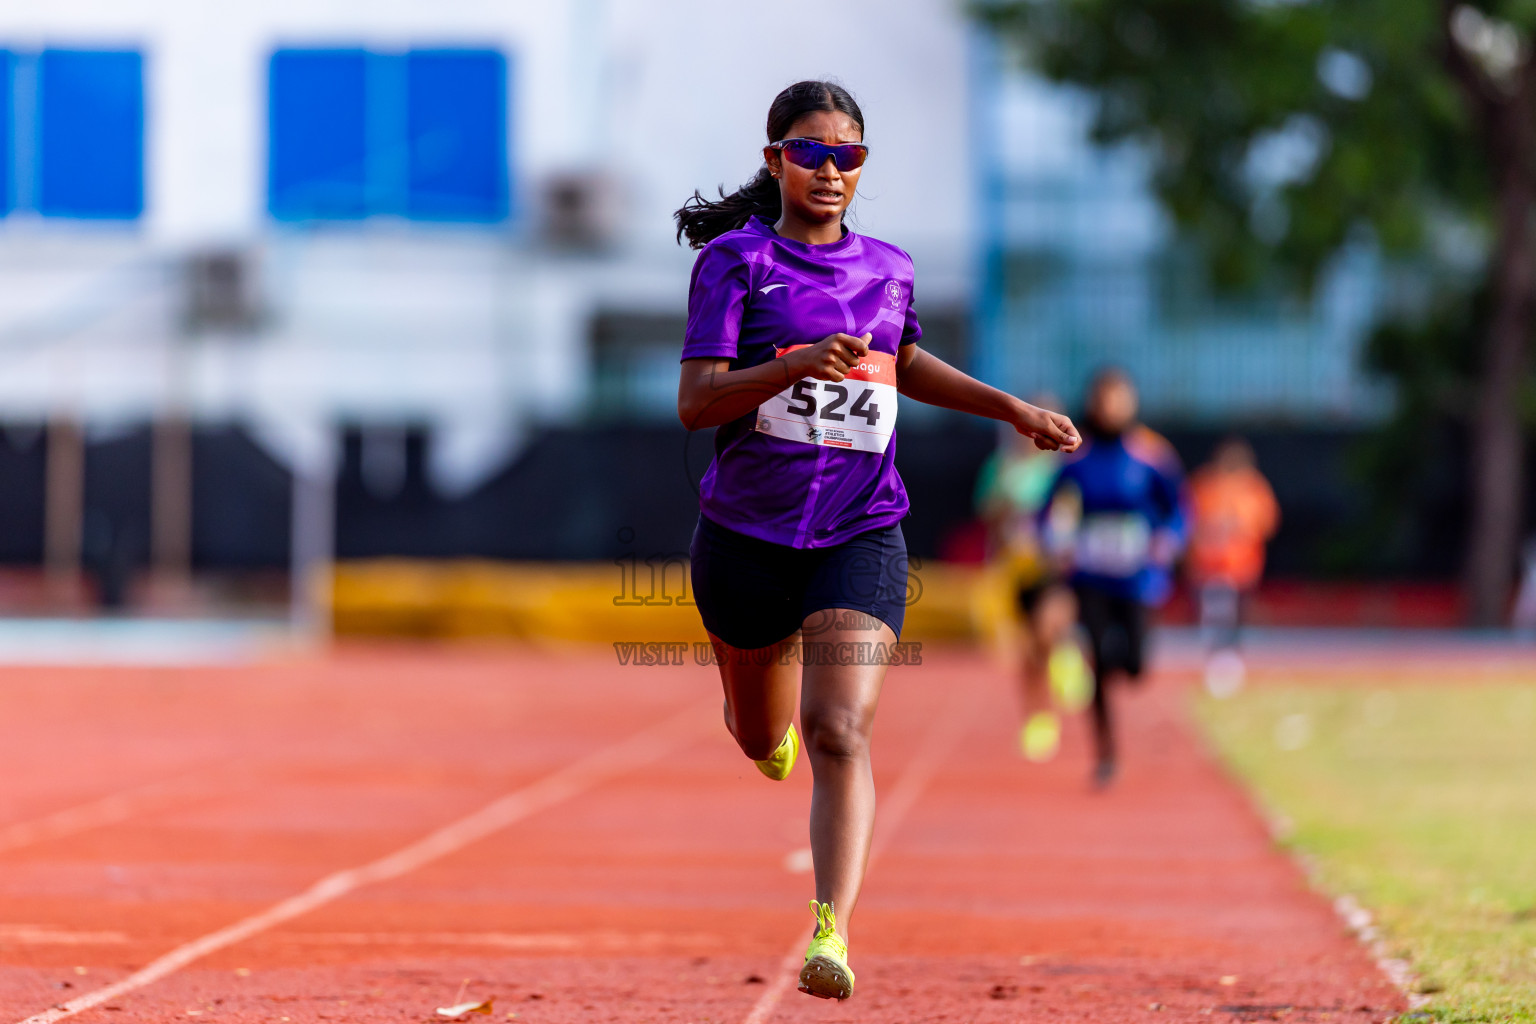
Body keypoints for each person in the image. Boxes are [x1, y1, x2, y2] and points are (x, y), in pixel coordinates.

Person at [674, 80, 1080, 1001]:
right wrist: (790, 365)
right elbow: (696, 403)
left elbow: (909, 360)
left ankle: (833, 930)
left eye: (847, 155)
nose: (829, 170)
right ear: (776, 159)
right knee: (760, 733)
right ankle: (759, 731)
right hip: (745, 538)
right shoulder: (737, 264)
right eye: (810, 152)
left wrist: (1011, 408)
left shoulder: (889, 270)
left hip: (861, 529)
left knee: (840, 728)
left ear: (861, 166)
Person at [1041, 369, 1185, 788]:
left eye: (1119, 399)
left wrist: (1168, 540)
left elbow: (1179, 509)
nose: (1111, 408)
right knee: (1100, 664)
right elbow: (1046, 509)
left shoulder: (1151, 455)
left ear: (1131, 403)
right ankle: (1106, 752)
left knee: (1136, 665)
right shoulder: (1077, 457)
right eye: (1104, 400)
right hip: (1090, 575)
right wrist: (1054, 541)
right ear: (1092, 403)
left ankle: (1102, 656)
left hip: (1137, 576)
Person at [973, 406, 1089, 762]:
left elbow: (1076, 512)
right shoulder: (1001, 467)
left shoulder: (1064, 469)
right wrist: (1007, 514)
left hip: (1051, 567)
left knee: (1049, 625)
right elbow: (988, 514)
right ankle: (1038, 719)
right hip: (1015, 571)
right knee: (1030, 653)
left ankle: (1067, 659)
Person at [1186, 437, 1280, 694]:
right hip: (1209, 568)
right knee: (1214, 617)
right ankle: (1216, 662)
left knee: (1235, 617)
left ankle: (1230, 662)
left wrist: (1239, 528)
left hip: (1241, 568)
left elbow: (1266, 522)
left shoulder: (1253, 488)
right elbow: (1190, 521)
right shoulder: (1205, 485)